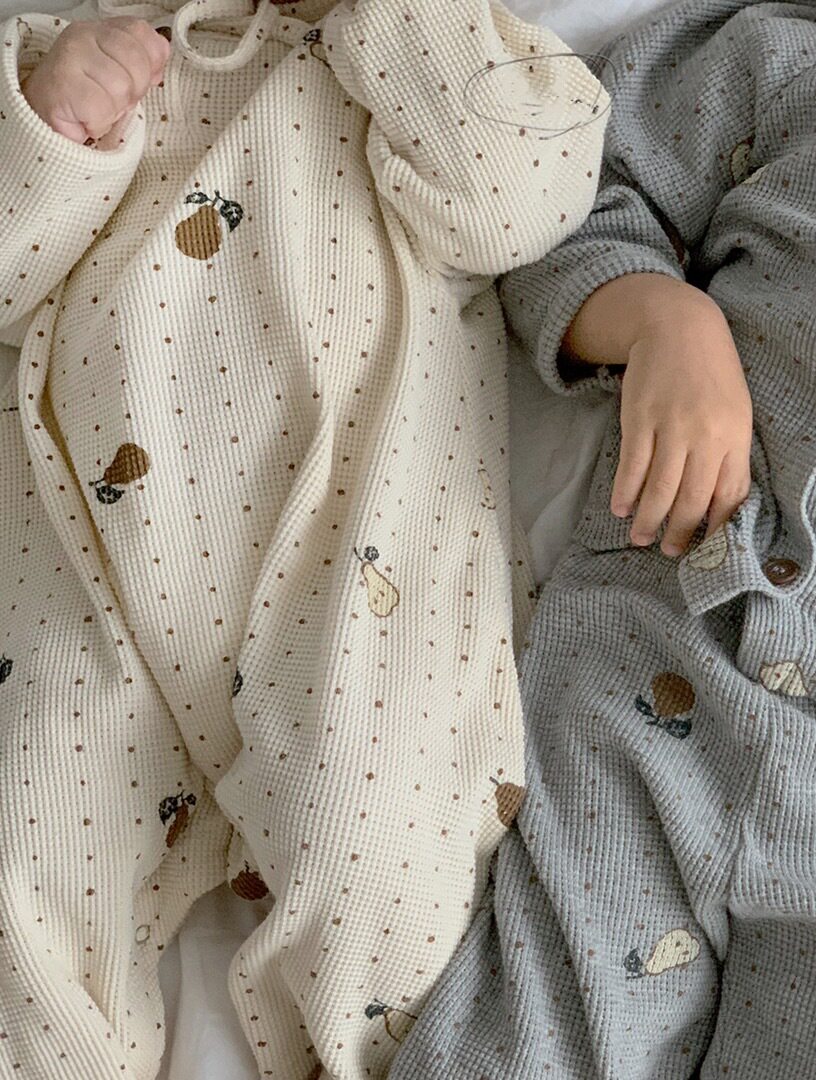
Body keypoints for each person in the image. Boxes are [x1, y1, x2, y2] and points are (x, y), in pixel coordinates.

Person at [384, 0, 816, 1076]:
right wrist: (663, 318)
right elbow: (561, 205)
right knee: (523, 1045)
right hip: (651, 689)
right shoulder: (767, 62)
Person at [0, 0, 608, 1076]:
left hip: (361, 562)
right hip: (80, 563)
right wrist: (51, 126)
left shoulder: (437, 51)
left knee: (391, 857)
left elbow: (519, 209)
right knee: (24, 868)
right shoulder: (58, 50)